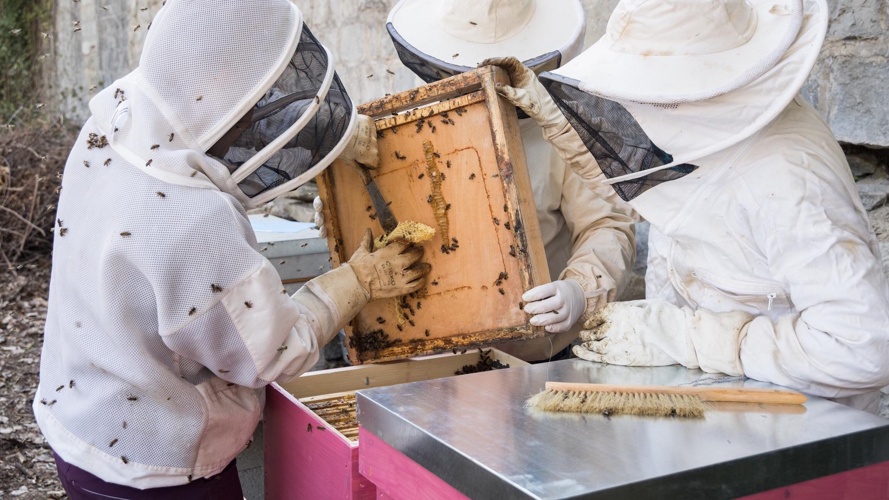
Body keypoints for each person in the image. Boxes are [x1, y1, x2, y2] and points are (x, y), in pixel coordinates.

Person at [32, 0, 430, 497]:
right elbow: (271, 353)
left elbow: (219, 117)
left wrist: (331, 136)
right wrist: (358, 281)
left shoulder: (115, 113)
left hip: (75, 416)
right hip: (154, 468)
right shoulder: (193, 222)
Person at [489, 0, 889, 411]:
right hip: (711, 411)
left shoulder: (793, 178)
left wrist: (688, 338)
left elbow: (860, 348)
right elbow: (645, 182)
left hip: (796, 423)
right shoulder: (709, 123)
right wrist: (557, 120)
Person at [315, 0, 637, 362]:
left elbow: (607, 224)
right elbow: (389, 225)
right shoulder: (407, 124)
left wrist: (580, 288)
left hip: (534, 352)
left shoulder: (558, 132)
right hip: (428, 353)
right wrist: (344, 211)